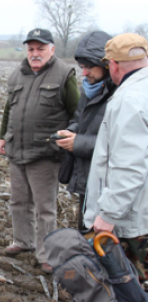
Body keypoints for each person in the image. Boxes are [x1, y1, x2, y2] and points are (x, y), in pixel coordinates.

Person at [0, 28, 80, 273]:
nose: (35, 53)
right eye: (31, 49)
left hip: (45, 153)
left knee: (45, 207)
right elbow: (8, 110)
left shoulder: (64, 73)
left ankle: (46, 254)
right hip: (17, 149)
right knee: (18, 201)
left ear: (52, 50)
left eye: (40, 48)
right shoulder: (17, 74)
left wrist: (69, 138)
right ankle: (23, 241)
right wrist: (2, 137)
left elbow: (76, 113)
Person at [84, 33, 148, 302]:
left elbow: (128, 167)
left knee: (118, 283)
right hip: (142, 210)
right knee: (136, 281)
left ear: (114, 65)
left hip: (130, 216)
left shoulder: (128, 100)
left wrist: (107, 215)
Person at [56, 31, 116, 230]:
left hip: (109, 186)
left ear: (107, 64)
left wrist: (78, 142)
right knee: (85, 234)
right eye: (82, 67)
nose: (84, 73)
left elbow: (119, 144)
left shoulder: (120, 96)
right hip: (87, 178)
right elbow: (79, 119)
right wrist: (69, 132)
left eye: (89, 66)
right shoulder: (89, 90)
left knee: (105, 243)